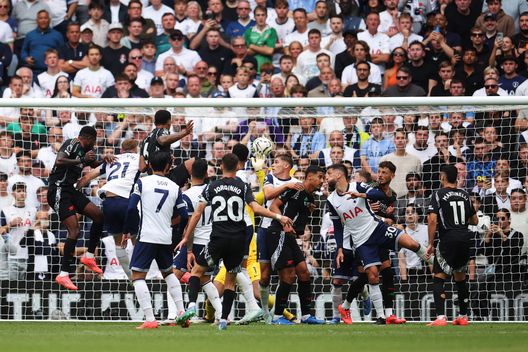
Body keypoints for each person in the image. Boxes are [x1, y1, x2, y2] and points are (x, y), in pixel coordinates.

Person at [176, 153, 293, 331]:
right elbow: (256, 208)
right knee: (230, 281)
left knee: (196, 271)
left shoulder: (211, 187)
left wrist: (186, 237)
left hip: (218, 238)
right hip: (238, 240)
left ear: (221, 166)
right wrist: (278, 216)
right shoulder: (243, 186)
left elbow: (198, 213)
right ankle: (223, 320)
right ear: (237, 166)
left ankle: (191, 305)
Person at [325, 163, 431, 324]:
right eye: (379, 172)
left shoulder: (359, 186)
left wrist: (362, 195)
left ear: (338, 175)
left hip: (378, 229)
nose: (326, 177)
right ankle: (382, 316)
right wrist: (340, 247)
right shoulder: (331, 200)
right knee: (372, 275)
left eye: (329, 174)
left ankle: (436, 263)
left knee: (410, 245)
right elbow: (338, 226)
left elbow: (380, 195)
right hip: (361, 241)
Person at [123, 151, 188, 329]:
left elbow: (130, 208)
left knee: (137, 276)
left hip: (146, 236)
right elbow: (183, 214)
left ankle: (150, 319)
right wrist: (179, 232)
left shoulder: (142, 182)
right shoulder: (175, 187)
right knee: (168, 273)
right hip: (166, 237)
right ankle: (182, 313)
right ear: (168, 166)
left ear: (150, 165)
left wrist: (128, 231)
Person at [48, 126, 113, 290]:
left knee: (98, 215)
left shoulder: (85, 151)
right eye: (95, 140)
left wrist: (106, 160)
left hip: (71, 189)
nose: (95, 144)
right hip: (58, 189)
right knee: (74, 231)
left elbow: (95, 164)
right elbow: (59, 161)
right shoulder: (72, 143)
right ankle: (63, 274)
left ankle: (89, 256)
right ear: (89, 139)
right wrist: (82, 160)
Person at [266, 165, 326, 325]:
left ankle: (306, 315)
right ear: (309, 177)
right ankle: (278, 316)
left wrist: (308, 210)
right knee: (288, 276)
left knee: (304, 273)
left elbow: (299, 211)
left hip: (291, 238)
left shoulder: (311, 198)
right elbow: (273, 205)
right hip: (278, 233)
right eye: (320, 177)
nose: (322, 181)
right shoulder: (294, 188)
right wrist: (282, 220)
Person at [75, 139, 140, 280]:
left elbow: (87, 176)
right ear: (136, 149)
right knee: (136, 240)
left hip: (109, 203)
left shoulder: (111, 160)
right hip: (127, 201)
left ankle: (130, 277)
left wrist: (73, 191)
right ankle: (139, 276)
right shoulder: (139, 159)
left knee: (118, 243)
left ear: (121, 150)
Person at [170, 158, 223, 324]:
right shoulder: (214, 190)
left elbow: (188, 224)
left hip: (196, 241)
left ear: (190, 174)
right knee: (204, 278)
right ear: (206, 174)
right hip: (214, 239)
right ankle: (222, 315)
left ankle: (174, 315)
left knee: (172, 276)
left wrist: (189, 249)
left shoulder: (186, 196)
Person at [426, 164, 479, 326]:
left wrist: (430, 243)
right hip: (465, 239)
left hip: (448, 238)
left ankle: (441, 317)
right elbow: (475, 221)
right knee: (460, 278)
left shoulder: (438, 194)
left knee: (439, 277)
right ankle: (463, 316)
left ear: (443, 176)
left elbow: (432, 220)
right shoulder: (465, 194)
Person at [258, 154, 302, 323]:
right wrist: (286, 186)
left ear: (286, 166)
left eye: (276, 162)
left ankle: (277, 314)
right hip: (265, 229)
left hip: (283, 232)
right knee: (264, 275)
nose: (273, 165)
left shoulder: (295, 183)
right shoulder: (271, 178)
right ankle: (265, 312)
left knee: (286, 274)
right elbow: (268, 195)